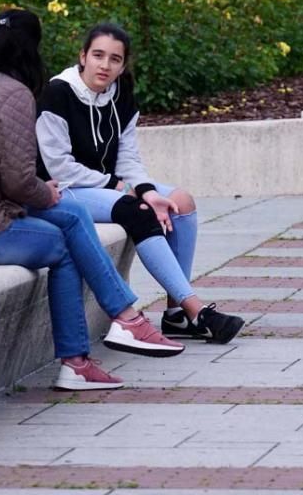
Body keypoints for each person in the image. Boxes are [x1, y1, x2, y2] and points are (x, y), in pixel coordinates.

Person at [0, 10, 184, 392]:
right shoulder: (15, 93)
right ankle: (98, 343)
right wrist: (46, 192)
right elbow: (19, 181)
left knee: (71, 214)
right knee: (64, 243)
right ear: (33, 49)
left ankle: (116, 329)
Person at [36, 23, 245, 345]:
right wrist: (122, 188)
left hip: (108, 184)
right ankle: (197, 310)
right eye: (98, 55)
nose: (105, 65)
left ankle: (177, 314)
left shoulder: (121, 92)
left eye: (115, 59)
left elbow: (128, 156)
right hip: (66, 188)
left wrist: (145, 188)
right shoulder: (58, 92)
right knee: (139, 210)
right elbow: (59, 166)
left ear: (123, 65)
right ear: (83, 56)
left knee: (181, 202)